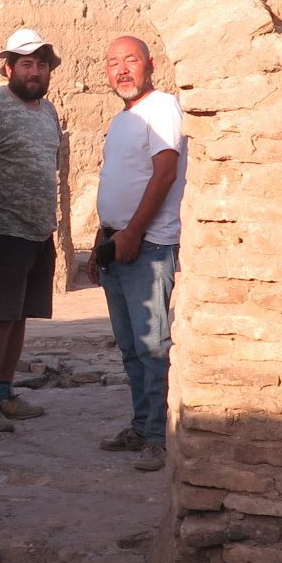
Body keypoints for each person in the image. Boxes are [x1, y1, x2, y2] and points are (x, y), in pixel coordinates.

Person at [87, 35, 186, 472]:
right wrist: (101, 242)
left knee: (152, 347)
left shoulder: (162, 107)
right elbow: (118, 184)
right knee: (130, 348)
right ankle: (143, 424)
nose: (122, 70)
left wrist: (133, 233)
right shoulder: (123, 119)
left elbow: (165, 174)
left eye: (130, 61)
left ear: (150, 64)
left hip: (148, 245)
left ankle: (159, 438)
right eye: (113, 63)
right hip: (119, 243)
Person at [0, 28, 64, 433]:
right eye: (26, 64)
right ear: (9, 68)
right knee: (0, 318)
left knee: (20, 317)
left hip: (38, 231)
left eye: (41, 64)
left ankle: (5, 393)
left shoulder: (49, 111)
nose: (34, 71)